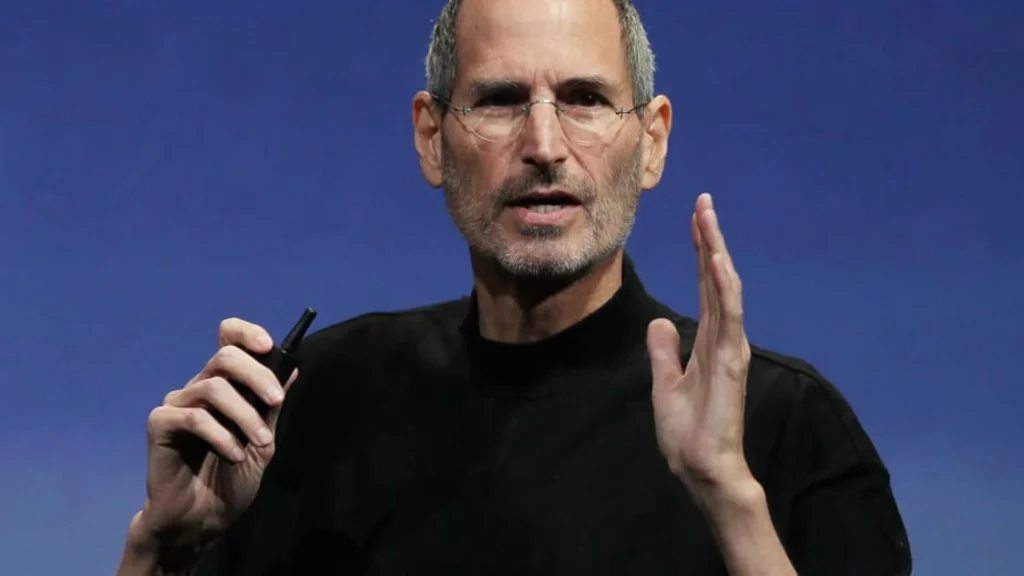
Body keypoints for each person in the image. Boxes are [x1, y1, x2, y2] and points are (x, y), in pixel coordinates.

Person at [116, 0, 913, 574]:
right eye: (499, 100)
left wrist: (729, 499)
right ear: (432, 139)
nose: (543, 145)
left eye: (585, 100)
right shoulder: (312, 404)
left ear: (651, 142)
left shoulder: (781, 428)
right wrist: (164, 545)